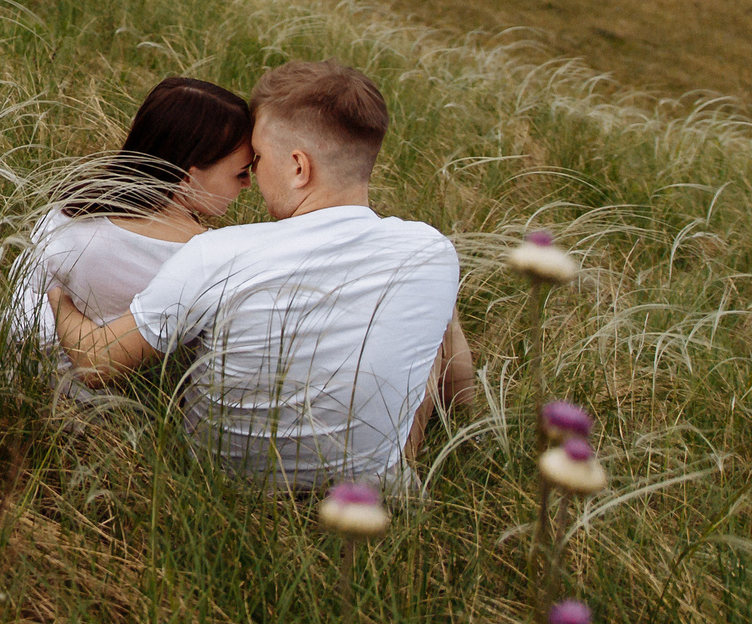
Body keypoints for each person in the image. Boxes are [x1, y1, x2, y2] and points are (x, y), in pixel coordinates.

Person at [48, 59, 475, 489]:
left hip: (217, 483)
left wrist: (58, 298)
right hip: (364, 497)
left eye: (259, 158)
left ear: (298, 167)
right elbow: (456, 379)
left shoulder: (217, 253)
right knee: (433, 328)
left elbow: (96, 361)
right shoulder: (430, 250)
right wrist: (465, 431)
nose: (252, 175)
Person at [7, 76, 254, 355]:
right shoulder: (202, 257)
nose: (246, 184)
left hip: (23, 361)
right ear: (189, 177)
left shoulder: (71, 209)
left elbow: (24, 292)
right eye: (241, 173)